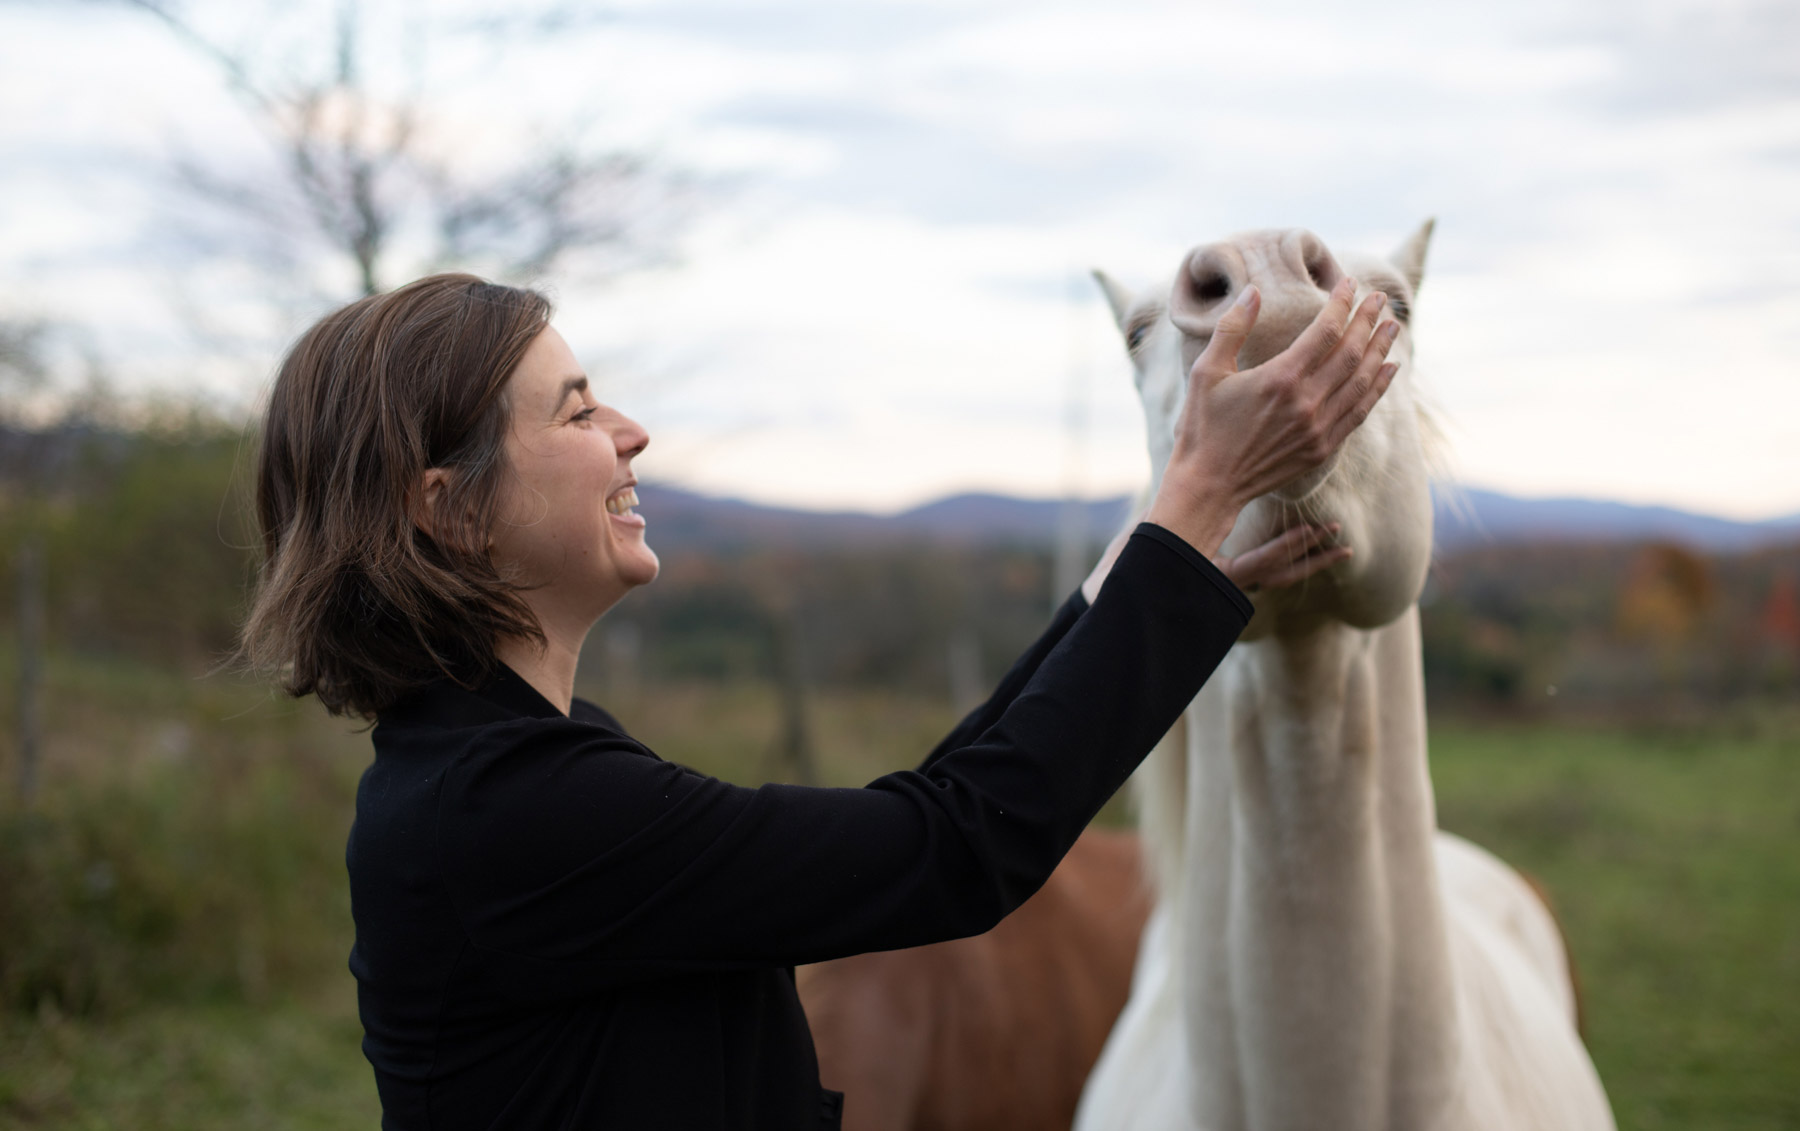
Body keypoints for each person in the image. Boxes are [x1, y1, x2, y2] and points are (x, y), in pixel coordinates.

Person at [237, 272, 1398, 1130]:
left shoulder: (509, 769)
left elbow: (930, 809)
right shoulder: (512, 813)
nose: (633, 432)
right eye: (577, 411)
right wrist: (1197, 494)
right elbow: (956, 849)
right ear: (448, 510)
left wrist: (1154, 564)